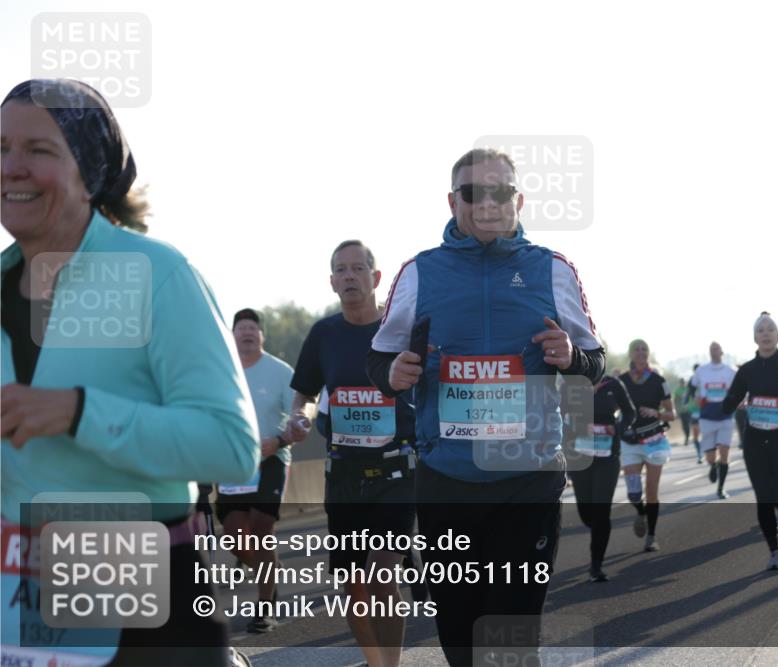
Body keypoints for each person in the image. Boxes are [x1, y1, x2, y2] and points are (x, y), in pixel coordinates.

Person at [1, 79, 258, 667]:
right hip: (23, 596)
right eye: (0, 148)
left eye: (38, 150)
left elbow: (232, 447)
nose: (12, 167)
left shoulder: (159, 274)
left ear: (90, 172)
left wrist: (79, 412)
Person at [366, 148, 604, 667]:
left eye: (499, 191)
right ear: (454, 202)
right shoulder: (419, 273)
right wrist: (392, 373)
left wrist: (571, 357)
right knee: (459, 636)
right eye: (474, 192)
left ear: (517, 199)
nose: (488, 203)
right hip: (447, 483)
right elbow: (379, 361)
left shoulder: (553, 269)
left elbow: (595, 363)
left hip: (530, 479)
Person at [283, 240, 417, 667]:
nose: (349, 276)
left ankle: (390, 665)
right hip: (343, 475)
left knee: (381, 575)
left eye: (358, 268)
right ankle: (375, 662)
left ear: (376, 278)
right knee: (352, 585)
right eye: (341, 270)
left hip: (397, 471)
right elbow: (303, 393)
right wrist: (299, 418)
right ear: (332, 281)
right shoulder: (324, 334)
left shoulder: (402, 330)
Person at [215, 308, 294, 633]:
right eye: (241, 328)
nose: (247, 333)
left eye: (253, 328)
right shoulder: (220, 370)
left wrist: (280, 439)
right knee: (235, 535)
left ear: (261, 336)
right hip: (234, 461)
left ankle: (265, 608)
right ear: (232, 336)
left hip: (272, 456)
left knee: (262, 528)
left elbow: (300, 413)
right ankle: (268, 571)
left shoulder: (280, 371)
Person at [721, 312, 778, 571]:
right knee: (763, 498)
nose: (765, 333)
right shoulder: (747, 371)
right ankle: (774, 552)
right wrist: (726, 404)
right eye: (760, 330)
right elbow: (730, 401)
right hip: (756, 441)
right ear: (754, 338)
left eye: (770, 329)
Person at [562, 372, 635, 582]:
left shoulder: (613, 384)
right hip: (579, 456)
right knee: (586, 513)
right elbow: (558, 417)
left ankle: (596, 565)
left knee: (601, 511)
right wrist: (575, 427)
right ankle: (599, 532)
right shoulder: (570, 385)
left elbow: (630, 413)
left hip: (608, 455)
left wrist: (617, 428)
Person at [619, 339, 675, 551]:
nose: (641, 353)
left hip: (654, 441)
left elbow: (673, 414)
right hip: (630, 441)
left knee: (652, 491)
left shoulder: (659, 381)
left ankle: (651, 536)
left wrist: (657, 413)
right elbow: (610, 407)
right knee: (633, 492)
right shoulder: (621, 381)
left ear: (649, 353)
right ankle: (640, 511)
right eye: (637, 349)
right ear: (630, 354)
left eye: (644, 349)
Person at [690, 342, 737, 499]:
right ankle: (713, 465)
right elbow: (692, 386)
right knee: (710, 456)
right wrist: (694, 397)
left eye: (716, 348)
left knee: (724, 452)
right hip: (707, 416)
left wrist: (735, 401)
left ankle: (720, 488)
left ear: (722, 351)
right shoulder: (702, 370)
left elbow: (738, 390)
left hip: (725, 416)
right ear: (709, 352)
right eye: (711, 349)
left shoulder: (730, 371)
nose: (714, 351)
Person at [673, 378, 693, 447]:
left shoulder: (688, 390)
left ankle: (687, 438)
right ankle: (686, 436)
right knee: (684, 425)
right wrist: (676, 410)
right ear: (680, 383)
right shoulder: (677, 391)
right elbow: (675, 401)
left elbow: (692, 399)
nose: (682, 383)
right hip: (681, 410)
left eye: (683, 382)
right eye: (681, 382)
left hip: (688, 410)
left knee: (687, 424)